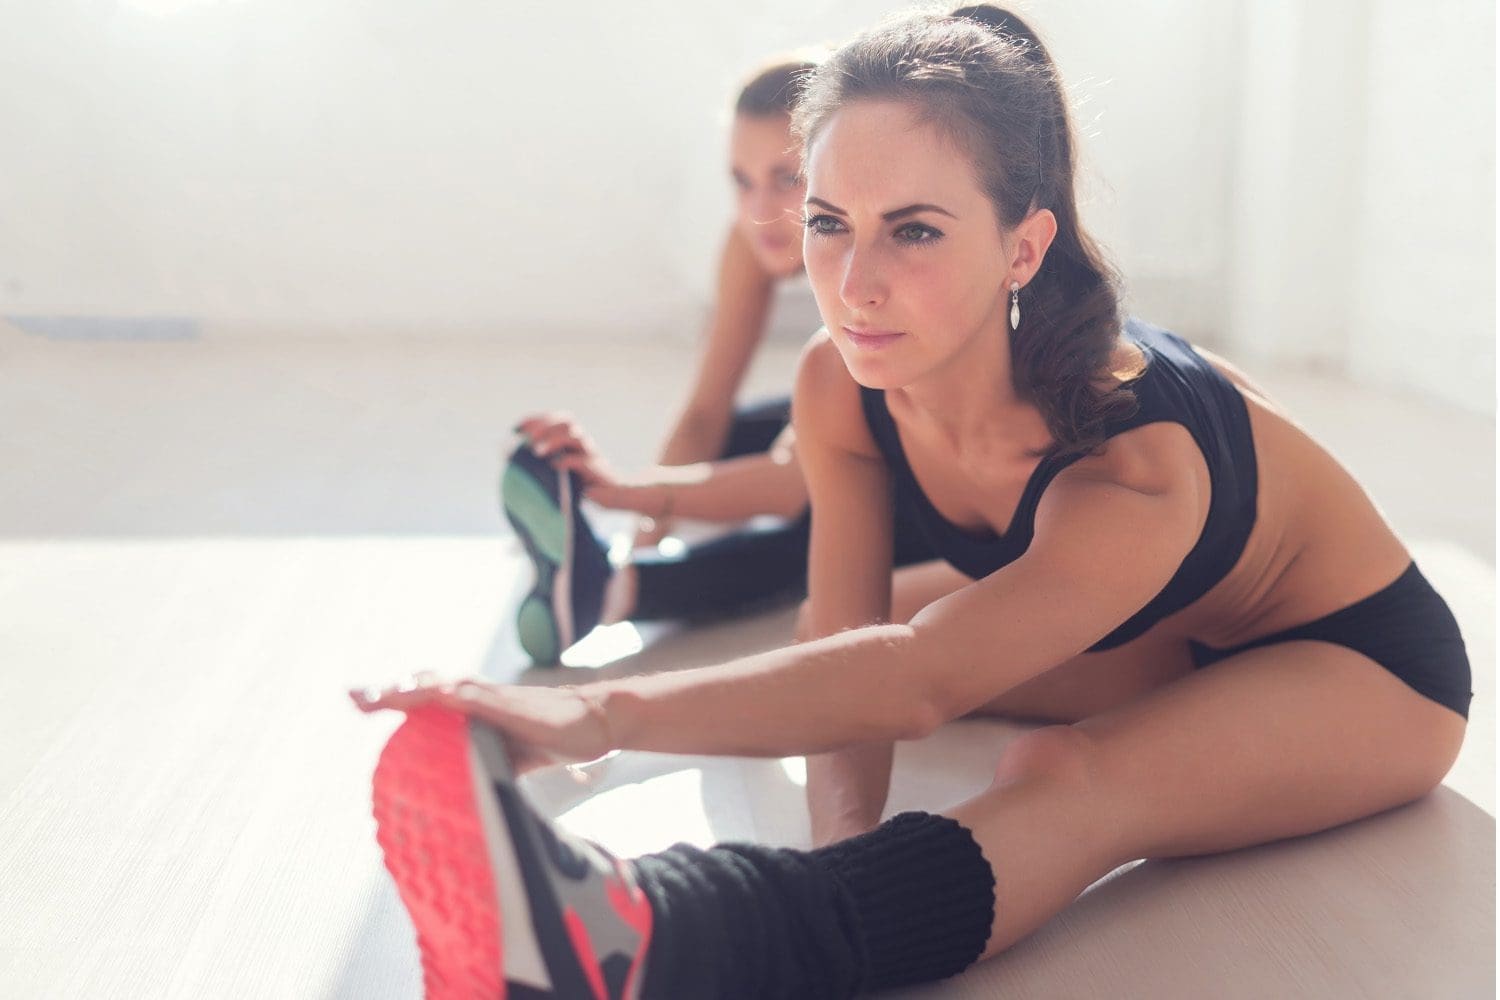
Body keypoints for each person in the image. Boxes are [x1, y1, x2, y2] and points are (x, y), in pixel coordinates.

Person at [353, 6, 1473, 998]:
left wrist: (600, 712)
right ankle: (799, 880)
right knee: (860, 641)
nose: (854, 282)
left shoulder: (1133, 461)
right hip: (1159, 633)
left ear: (1023, 244)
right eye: (831, 222)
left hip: (1358, 664)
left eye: (917, 230)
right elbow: (847, 635)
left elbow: (913, 681)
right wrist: (846, 843)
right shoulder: (840, 386)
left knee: (1067, 776)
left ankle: (660, 940)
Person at [501, 55, 935, 665]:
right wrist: (642, 535)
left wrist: (628, 492)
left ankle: (615, 593)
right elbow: (706, 411)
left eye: (787, 178)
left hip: (960, 481)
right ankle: (605, 566)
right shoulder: (755, 238)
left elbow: (790, 484)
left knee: (824, 520)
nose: (758, 209)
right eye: (740, 179)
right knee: (738, 433)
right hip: (877, 416)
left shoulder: (867, 270)